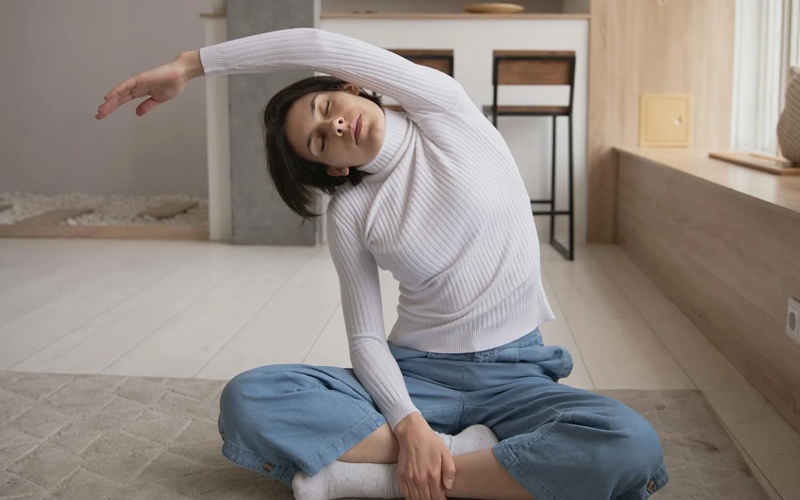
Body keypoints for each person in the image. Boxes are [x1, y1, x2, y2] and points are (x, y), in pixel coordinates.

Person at [97, 28, 669, 500]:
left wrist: (191, 64)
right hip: (417, 377)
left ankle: (382, 477)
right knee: (249, 399)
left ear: (354, 89)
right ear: (334, 169)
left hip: (516, 375)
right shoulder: (351, 210)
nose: (335, 126)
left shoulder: (444, 113)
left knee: (632, 445)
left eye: (327, 108)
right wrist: (406, 420)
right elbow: (367, 338)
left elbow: (317, 46)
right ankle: (472, 460)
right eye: (319, 142)